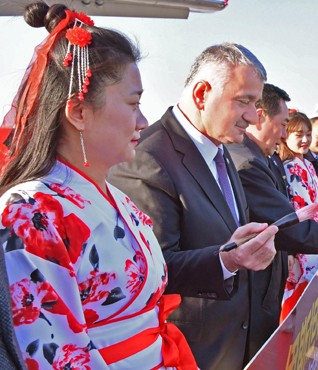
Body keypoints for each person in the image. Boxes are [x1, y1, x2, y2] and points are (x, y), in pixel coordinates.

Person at [0, 3, 198, 368]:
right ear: (78, 112)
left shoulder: (116, 198)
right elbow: (54, 355)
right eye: (133, 103)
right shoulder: (30, 213)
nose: (143, 120)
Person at [108, 43, 278, 369]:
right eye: (243, 101)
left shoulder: (221, 147)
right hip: (189, 353)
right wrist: (226, 261)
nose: (252, 117)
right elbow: (150, 272)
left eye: (256, 104)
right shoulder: (148, 157)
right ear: (202, 94)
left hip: (233, 345)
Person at [225, 84, 318, 329]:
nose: (282, 135)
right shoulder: (248, 162)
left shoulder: (264, 158)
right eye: (283, 125)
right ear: (260, 117)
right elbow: (286, 225)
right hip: (259, 279)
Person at [278, 113, 318, 318]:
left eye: (308, 134)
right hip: (303, 244)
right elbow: (297, 211)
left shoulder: (308, 164)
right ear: (286, 135)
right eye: (299, 134)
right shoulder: (289, 166)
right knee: (296, 309)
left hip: (317, 241)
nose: (305, 140)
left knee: (311, 307)